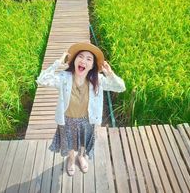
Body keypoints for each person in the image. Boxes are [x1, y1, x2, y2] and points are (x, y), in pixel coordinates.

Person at [36, 42, 126, 176]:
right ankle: (71, 159)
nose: (83, 61)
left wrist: (110, 74)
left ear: (92, 66)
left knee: (83, 142)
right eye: (80, 56)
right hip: (67, 119)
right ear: (74, 60)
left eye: (89, 59)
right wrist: (58, 62)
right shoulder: (64, 78)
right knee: (70, 143)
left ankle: (81, 157)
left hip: (87, 120)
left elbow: (120, 87)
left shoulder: (98, 80)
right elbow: (42, 80)